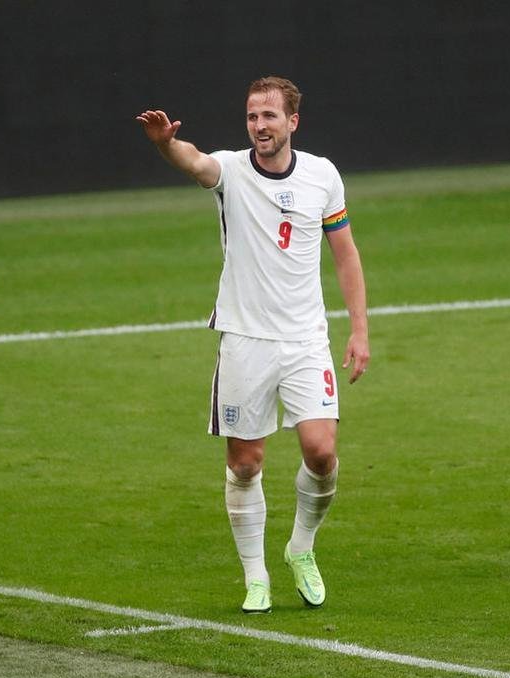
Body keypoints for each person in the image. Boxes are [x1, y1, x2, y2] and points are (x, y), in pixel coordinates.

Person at [136, 76, 370, 613]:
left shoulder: (322, 177)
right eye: (250, 117)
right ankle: (255, 575)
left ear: (292, 121)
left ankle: (301, 549)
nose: (258, 126)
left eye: (268, 116)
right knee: (245, 464)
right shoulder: (231, 172)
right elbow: (195, 162)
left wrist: (359, 330)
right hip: (245, 340)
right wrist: (165, 143)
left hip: (306, 339)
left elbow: (346, 255)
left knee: (322, 451)